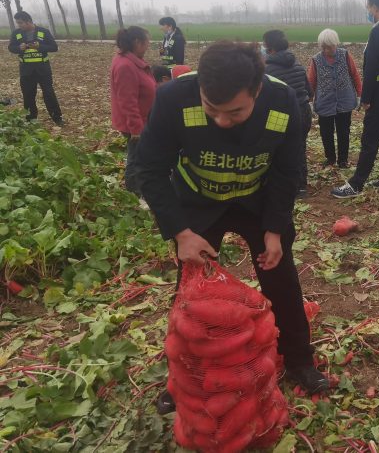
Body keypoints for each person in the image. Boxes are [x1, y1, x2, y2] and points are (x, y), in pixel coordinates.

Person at [136, 42, 329, 414]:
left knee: (281, 278)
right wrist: (180, 233)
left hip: (257, 200)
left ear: (256, 91)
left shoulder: (282, 101)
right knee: (193, 288)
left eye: (235, 111)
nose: (222, 120)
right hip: (199, 201)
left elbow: (288, 169)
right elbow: (150, 169)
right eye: (212, 109)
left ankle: (299, 360)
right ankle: (184, 378)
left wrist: (275, 228)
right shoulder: (174, 98)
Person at [332, 0, 379, 198]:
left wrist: (366, 98)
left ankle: (356, 184)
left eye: (368, 7)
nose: (368, 11)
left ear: (374, 6)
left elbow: (371, 69)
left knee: (369, 140)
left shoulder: (378, 31)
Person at [262, 29, 313, 197]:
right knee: (299, 148)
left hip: (282, 115)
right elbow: (309, 91)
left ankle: (283, 185)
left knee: (279, 150)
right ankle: (301, 186)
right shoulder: (297, 64)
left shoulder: (268, 70)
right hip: (304, 111)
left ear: (270, 48)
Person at [110, 26, 156, 196]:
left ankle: (139, 186)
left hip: (142, 119)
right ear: (137, 42)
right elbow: (127, 101)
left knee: (139, 155)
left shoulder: (131, 61)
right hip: (135, 123)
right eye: (147, 42)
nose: (148, 46)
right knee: (136, 157)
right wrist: (136, 129)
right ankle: (133, 192)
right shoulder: (125, 66)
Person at [308, 28, 362, 169]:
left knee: (344, 132)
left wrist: (359, 95)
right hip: (324, 102)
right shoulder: (316, 60)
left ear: (336, 44)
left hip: (344, 101)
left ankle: (343, 160)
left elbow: (355, 75)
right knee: (326, 133)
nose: (326, 50)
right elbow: (311, 82)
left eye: (329, 47)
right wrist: (310, 101)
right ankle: (330, 158)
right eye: (323, 47)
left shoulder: (345, 55)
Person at [7, 11, 63, 125]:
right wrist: (19, 48)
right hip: (26, 71)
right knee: (28, 96)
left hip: (43, 70)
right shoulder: (16, 33)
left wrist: (40, 46)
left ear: (28, 21)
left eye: (21, 23)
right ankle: (30, 120)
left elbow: (54, 47)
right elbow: (11, 47)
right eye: (18, 23)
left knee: (49, 94)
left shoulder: (43, 31)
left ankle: (57, 118)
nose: (19, 25)